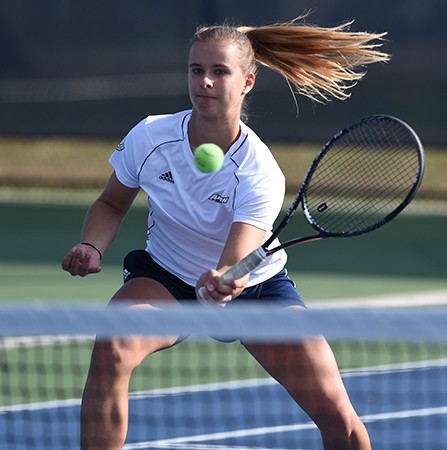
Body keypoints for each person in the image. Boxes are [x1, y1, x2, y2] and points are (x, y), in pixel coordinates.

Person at [62, 15, 389, 450]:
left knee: (337, 416)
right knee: (112, 346)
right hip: (167, 280)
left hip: (254, 290)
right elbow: (111, 202)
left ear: (247, 82)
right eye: (197, 70)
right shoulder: (150, 136)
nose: (206, 83)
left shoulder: (258, 171)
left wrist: (224, 280)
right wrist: (91, 244)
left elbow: (234, 262)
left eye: (220, 71)